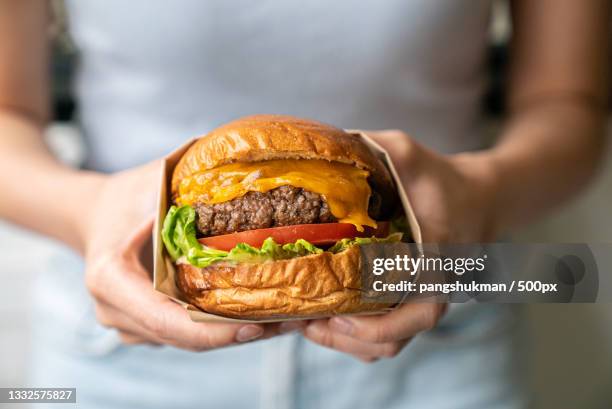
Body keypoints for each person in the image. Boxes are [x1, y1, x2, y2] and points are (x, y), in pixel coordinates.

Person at [0, 1, 608, 408]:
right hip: (123, 343)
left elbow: (571, 102)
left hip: (444, 310)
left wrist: (484, 192)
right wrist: (88, 211)